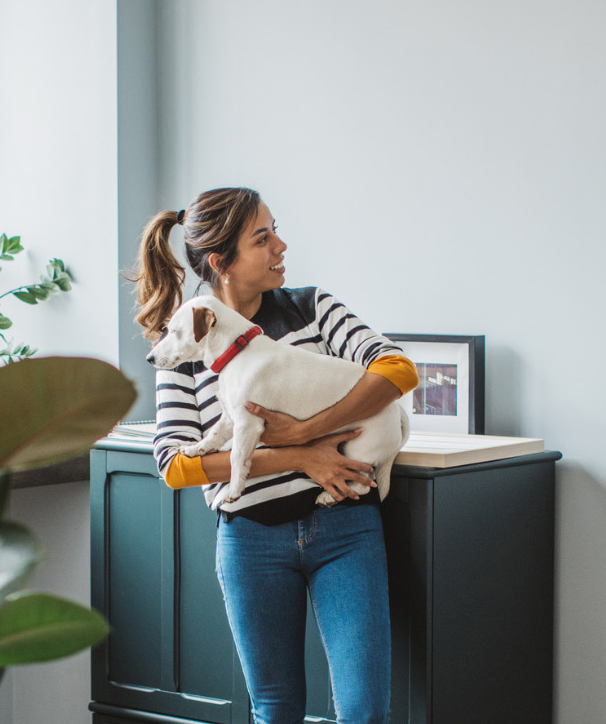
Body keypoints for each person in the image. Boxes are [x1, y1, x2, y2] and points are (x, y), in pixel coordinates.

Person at [130, 187, 418, 724]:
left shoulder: (313, 307)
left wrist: (306, 431)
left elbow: (398, 372)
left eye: (274, 231)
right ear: (222, 263)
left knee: (364, 712)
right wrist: (299, 456)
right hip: (250, 540)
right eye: (262, 239)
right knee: (275, 710)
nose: (281, 246)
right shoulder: (184, 342)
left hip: (346, 531)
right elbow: (175, 465)